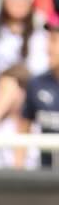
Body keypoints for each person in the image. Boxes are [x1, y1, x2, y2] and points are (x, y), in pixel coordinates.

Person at [17, 27, 59, 169]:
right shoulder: (37, 84)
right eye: (48, 40)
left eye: (54, 41)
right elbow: (23, 129)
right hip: (47, 176)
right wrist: (18, 171)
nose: (48, 48)